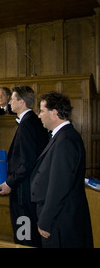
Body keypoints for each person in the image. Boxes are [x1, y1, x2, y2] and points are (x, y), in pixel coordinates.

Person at [31, 91, 93, 248]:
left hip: (60, 220)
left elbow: (59, 186)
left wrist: (45, 221)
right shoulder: (61, 136)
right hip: (60, 217)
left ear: (54, 113)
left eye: (42, 111)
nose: (39, 116)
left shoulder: (65, 140)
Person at [0, 85, 48, 247]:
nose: (9, 102)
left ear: (22, 102)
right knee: (29, 233)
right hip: (31, 188)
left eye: (12, 99)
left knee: (24, 235)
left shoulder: (27, 124)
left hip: (24, 191)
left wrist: (9, 183)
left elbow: (27, 162)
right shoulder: (32, 121)